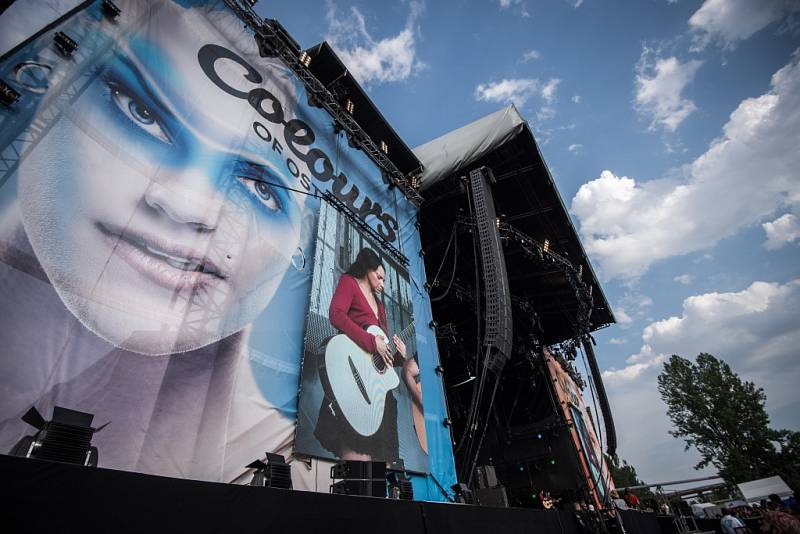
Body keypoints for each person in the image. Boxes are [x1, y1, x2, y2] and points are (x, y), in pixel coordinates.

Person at [0, 0, 312, 481]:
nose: (186, 205)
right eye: (140, 112)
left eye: (258, 187)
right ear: (49, 85)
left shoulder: (278, 449)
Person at [314, 248, 412, 461]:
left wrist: (398, 358)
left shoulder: (380, 306)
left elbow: (380, 358)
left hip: (377, 392)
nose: (382, 284)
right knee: (356, 462)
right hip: (352, 380)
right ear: (368, 270)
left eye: (384, 280)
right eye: (380, 277)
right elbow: (336, 315)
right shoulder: (349, 282)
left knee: (380, 467)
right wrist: (371, 342)